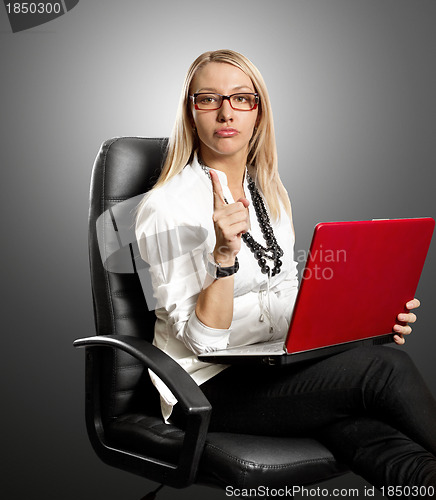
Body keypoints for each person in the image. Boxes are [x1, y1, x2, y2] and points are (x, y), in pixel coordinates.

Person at [135, 49, 436, 491]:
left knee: (379, 442)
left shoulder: (270, 193)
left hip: (273, 363)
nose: (226, 112)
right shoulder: (165, 207)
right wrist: (223, 257)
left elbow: (286, 293)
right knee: (383, 370)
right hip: (203, 388)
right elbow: (201, 343)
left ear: (259, 112)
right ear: (191, 112)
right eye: (208, 99)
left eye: (242, 99)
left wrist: (366, 317)